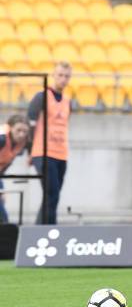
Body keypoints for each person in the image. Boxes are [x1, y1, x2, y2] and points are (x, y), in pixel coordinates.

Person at [28, 61, 72, 224]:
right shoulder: (41, 97)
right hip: (43, 152)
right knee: (51, 194)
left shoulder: (68, 101)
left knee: (52, 196)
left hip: (61, 154)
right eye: (60, 75)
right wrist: (29, 151)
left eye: (67, 76)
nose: (63, 79)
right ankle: (49, 230)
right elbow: (30, 124)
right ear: (54, 76)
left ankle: (38, 231)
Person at [0, 115, 30, 222]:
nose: (21, 134)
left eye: (24, 131)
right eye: (18, 130)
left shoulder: (21, 143)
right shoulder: (2, 138)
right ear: (11, 128)